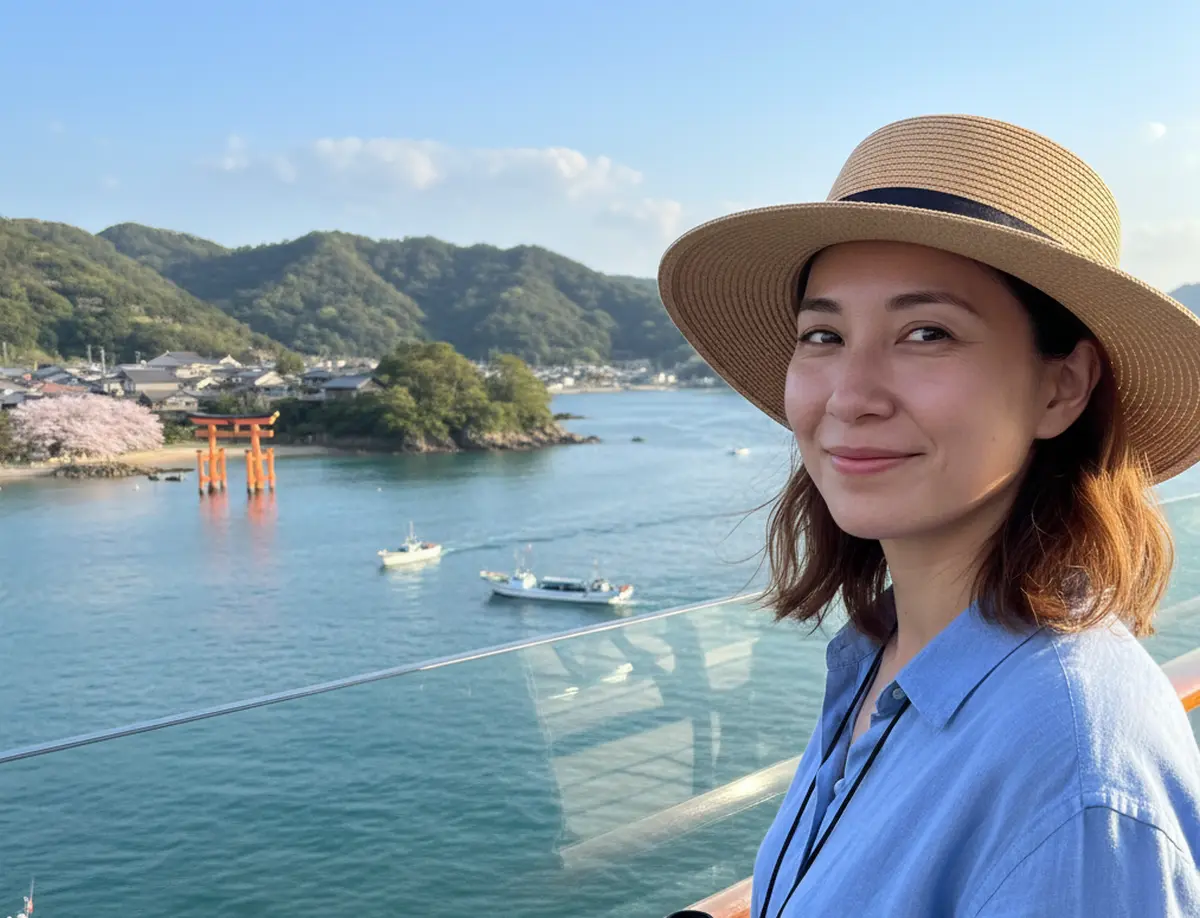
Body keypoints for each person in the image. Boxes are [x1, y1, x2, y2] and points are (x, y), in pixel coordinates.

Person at [657, 115, 1200, 916]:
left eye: (926, 332)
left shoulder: (1074, 770)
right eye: (823, 334)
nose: (849, 395)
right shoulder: (892, 655)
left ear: (1062, 388)